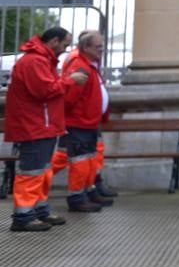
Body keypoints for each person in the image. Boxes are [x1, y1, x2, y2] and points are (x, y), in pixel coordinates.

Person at [5, 28, 86, 231]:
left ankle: (38, 210)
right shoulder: (35, 61)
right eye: (65, 45)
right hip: (35, 125)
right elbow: (45, 90)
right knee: (32, 171)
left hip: (42, 124)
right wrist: (71, 80)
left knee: (41, 171)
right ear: (54, 41)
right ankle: (24, 216)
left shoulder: (41, 60)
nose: (66, 49)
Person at [53, 31, 110, 213]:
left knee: (88, 160)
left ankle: (85, 193)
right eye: (98, 47)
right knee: (80, 162)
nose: (102, 50)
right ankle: (77, 197)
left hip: (87, 122)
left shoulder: (88, 64)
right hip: (79, 123)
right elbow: (69, 99)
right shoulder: (81, 66)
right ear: (86, 47)